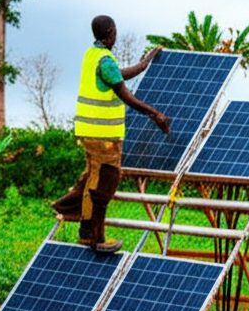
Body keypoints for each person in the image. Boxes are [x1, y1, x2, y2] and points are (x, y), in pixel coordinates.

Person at [51, 15, 171, 254]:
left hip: (90, 132)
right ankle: (97, 239)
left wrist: (146, 61)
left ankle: (80, 224)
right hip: (103, 136)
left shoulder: (93, 54)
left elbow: (119, 74)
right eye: (114, 31)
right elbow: (124, 94)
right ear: (110, 32)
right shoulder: (105, 60)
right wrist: (155, 114)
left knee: (93, 178)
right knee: (105, 182)